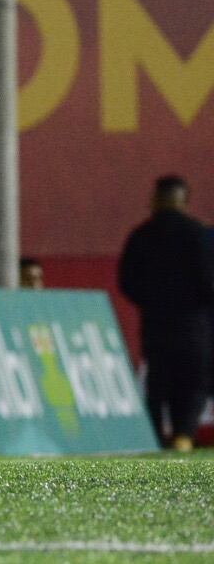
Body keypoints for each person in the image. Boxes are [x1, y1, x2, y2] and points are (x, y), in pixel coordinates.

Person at [117, 175, 214, 452]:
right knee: (195, 383)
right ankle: (184, 435)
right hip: (194, 326)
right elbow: (209, 281)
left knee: (158, 385)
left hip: (156, 324)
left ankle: (156, 438)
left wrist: (151, 301)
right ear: (185, 200)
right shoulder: (199, 234)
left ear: (155, 199)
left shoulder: (141, 236)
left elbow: (127, 281)